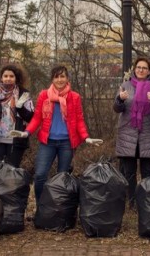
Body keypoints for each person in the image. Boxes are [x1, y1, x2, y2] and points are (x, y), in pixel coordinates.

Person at [11, 65, 103, 202]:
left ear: (67, 78)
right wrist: (26, 132)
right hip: (47, 142)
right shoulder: (44, 95)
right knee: (40, 175)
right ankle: (41, 206)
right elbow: (37, 118)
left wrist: (86, 137)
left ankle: (58, 209)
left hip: (67, 143)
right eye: (56, 77)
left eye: (62, 76)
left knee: (62, 177)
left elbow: (79, 120)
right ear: (52, 79)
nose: (60, 80)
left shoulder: (75, 97)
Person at [113, 57, 150, 207]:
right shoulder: (125, 86)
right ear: (134, 69)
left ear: (149, 71)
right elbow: (117, 109)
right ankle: (132, 202)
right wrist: (120, 99)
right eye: (138, 67)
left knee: (147, 172)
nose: (141, 70)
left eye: (144, 68)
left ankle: (146, 201)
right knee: (129, 172)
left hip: (147, 134)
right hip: (128, 134)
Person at [0, 64, 34, 167]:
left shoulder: (24, 93)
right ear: (1, 78)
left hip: (16, 139)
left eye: (11, 76)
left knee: (12, 171)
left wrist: (20, 107)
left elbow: (30, 117)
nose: (8, 78)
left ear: (16, 78)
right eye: (5, 76)